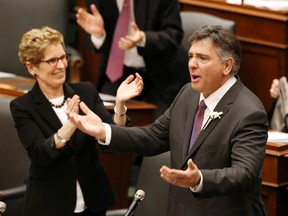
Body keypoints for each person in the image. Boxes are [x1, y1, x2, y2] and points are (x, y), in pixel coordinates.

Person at [67, 25, 268, 216]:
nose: (192, 64)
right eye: (190, 56)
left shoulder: (248, 112)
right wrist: (104, 130)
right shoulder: (188, 93)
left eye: (202, 58)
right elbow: (153, 137)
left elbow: (245, 173)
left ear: (227, 65)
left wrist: (200, 179)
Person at [10, 26, 143, 216]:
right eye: (52, 61)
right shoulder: (23, 106)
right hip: (50, 205)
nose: (62, 65)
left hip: (93, 201)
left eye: (63, 57)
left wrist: (120, 104)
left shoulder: (86, 91)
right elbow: (40, 153)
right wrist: (70, 126)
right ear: (32, 67)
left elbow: (113, 136)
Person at [76, 0, 190, 119]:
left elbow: (174, 35)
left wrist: (143, 39)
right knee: (102, 117)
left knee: (160, 126)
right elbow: (90, 41)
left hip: (163, 75)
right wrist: (98, 35)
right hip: (121, 73)